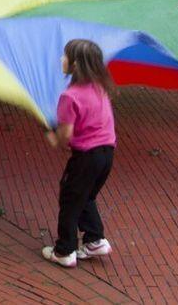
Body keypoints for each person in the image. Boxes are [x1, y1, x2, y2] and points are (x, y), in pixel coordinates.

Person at [42, 39, 117, 268]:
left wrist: (53, 137)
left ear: (75, 64)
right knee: (86, 196)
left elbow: (65, 134)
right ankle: (95, 239)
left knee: (70, 198)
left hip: (86, 157)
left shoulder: (70, 96)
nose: (61, 60)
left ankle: (64, 250)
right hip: (107, 153)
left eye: (65, 56)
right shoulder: (100, 88)